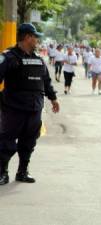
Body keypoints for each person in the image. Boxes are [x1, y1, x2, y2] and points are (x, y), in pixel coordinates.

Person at [0, 23, 60, 185]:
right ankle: (2, 172)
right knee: (7, 141)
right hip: (13, 108)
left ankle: (22, 171)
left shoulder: (38, 60)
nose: (37, 41)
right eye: (35, 37)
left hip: (34, 108)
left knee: (29, 141)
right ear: (27, 37)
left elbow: (45, 82)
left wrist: (53, 98)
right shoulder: (9, 57)